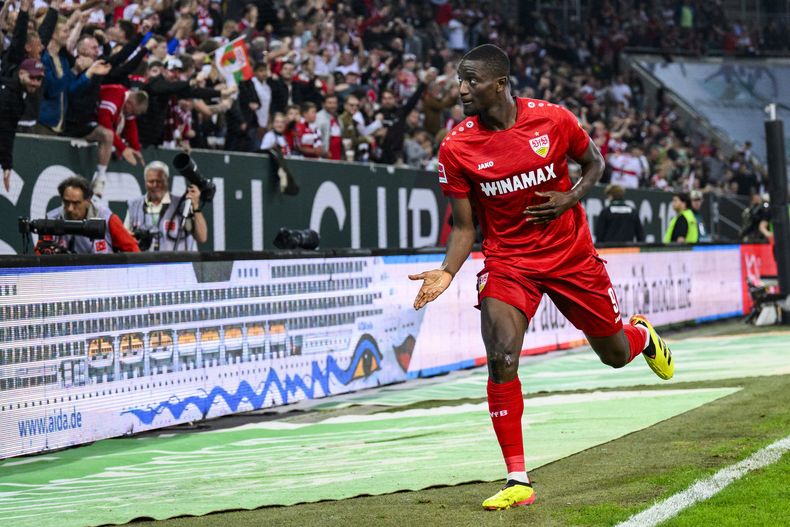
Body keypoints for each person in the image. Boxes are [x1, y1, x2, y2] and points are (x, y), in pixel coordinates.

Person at [409, 44, 674, 511]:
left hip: (571, 255)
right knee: (502, 355)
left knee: (614, 354)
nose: (462, 88)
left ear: (501, 84)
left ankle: (641, 336)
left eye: (471, 80)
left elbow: (594, 163)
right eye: (460, 80)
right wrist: (448, 271)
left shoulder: (553, 119)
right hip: (509, 262)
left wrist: (571, 198)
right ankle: (517, 478)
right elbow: (466, 226)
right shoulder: (456, 147)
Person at [124, 161, 208, 251]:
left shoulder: (183, 204)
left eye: (159, 181)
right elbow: (123, 237)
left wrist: (196, 207)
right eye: (151, 181)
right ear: (145, 182)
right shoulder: (134, 205)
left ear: (168, 180)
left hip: (178, 263)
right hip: (145, 263)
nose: (155, 185)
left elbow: (202, 238)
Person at [42, 176, 139, 254]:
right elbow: (40, 253)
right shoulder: (52, 219)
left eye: (76, 203)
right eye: (66, 202)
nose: (70, 208)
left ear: (88, 201)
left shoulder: (107, 218)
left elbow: (133, 249)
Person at [1, 59, 44, 192]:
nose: (35, 82)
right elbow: (5, 131)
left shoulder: (18, 96)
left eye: (39, 79)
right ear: (21, 74)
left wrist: (7, 165)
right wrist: (7, 164)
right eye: (32, 77)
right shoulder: (9, 96)